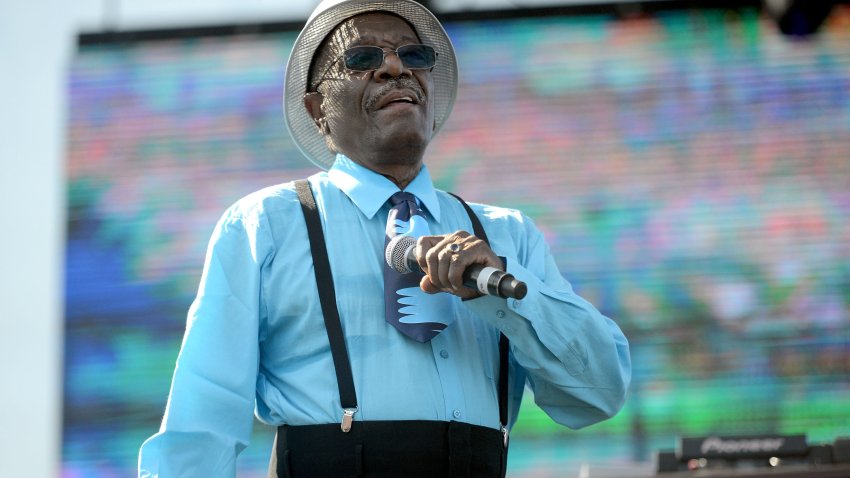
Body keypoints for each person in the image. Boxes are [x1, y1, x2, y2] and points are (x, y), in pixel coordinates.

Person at [138, 0, 631, 476]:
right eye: (362, 58)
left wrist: (506, 293)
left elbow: (599, 394)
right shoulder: (266, 224)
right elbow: (201, 422)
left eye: (413, 55)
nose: (395, 68)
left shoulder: (507, 234)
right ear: (318, 109)